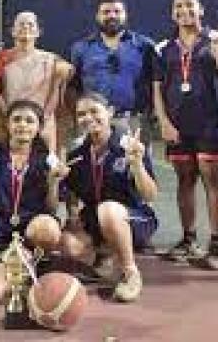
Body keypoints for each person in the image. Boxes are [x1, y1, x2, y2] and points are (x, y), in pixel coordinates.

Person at [153, 0, 218, 269]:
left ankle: (217, 243)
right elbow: (157, 88)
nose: (183, 10)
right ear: (171, 12)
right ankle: (189, 239)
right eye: (178, 6)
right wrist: (163, 121)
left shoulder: (217, 40)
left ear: (202, 10)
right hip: (178, 126)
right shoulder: (164, 48)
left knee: (213, 183)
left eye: (190, 5)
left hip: (210, 124)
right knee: (184, 182)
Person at [61, 92, 158, 302]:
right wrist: (72, 217)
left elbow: (151, 194)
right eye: (81, 114)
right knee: (67, 244)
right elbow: (70, 194)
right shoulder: (76, 155)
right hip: (95, 220)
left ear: (110, 112)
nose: (88, 118)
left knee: (109, 210)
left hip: (133, 219)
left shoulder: (129, 147)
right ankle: (105, 254)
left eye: (94, 111)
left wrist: (138, 165)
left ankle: (130, 273)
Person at [0, 100, 65, 303]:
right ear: (7, 124)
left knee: (48, 227)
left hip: (31, 235)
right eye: (17, 120)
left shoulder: (49, 160)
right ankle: (8, 273)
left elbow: (51, 209)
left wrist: (53, 183)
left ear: (38, 127)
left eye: (30, 121)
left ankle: (36, 265)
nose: (23, 125)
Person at [70, 0, 155, 136]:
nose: (112, 16)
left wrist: (152, 114)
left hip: (133, 120)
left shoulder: (144, 45)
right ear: (98, 16)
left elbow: (155, 83)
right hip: (92, 120)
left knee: (134, 158)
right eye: (106, 12)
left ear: (125, 15)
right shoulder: (81, 48)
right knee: (92, 158)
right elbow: (73, 86)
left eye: (117, 11)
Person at [0, 11, 73, 152]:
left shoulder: (53, 60)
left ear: (38, 32)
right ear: (13, 31)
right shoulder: (2, 59)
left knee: (45, 168)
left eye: (30, 24)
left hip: (44, 124)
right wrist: (8, 117)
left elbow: (58, 89)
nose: (26, 27)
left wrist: (43, 119)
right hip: (11, 123)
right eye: (21, 24)